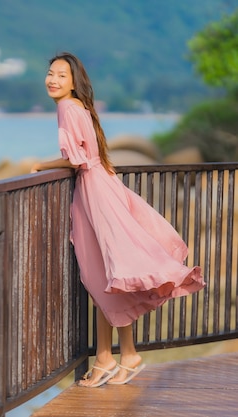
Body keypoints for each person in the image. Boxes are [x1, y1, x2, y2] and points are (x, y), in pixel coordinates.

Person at [31, 52, 206, 387]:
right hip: (102, 188)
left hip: (95, 196)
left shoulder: (68, 108)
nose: (52, 80)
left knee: (102, 280)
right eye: (50, 73)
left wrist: (42, 165)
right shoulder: (81, 107)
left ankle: (107, 358)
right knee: (112, 279)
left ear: (74, 81)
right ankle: (124, 355)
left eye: (61, 75)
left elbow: (79, 158)